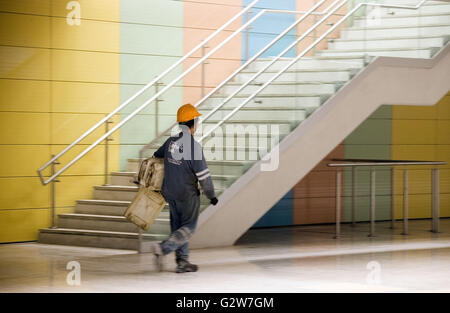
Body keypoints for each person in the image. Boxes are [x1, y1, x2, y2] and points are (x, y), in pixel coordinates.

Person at [152, 103, 218, 273]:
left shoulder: (170, 142)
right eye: (197, 120)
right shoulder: (194, 147)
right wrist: (211, 196)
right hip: (187, 194)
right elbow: (204, 177)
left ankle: (182, 262)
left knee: (178, 228)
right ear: (193, 123)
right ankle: (163, 248)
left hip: (170, 192)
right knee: (188, 227)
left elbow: (156, 156)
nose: (198, 123)